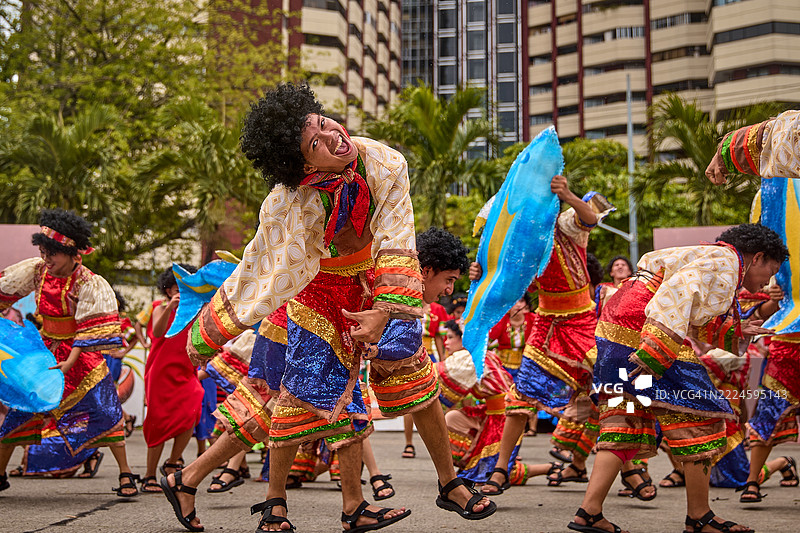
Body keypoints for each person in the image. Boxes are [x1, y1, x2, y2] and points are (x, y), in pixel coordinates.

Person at [160, 83, 493, 533]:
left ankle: (443, 484)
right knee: (296, 398)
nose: (332, 135)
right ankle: (272, 500)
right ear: (302, 165)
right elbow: (263, 268)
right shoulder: (286, 202)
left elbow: (397, 236)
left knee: (413, 374)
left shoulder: (384, 162)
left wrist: (386, 309)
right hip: (314, 294)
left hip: (374, 285)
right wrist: (212, 331)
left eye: (321, 122)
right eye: (315, 142)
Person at [571, 223, 787, 533]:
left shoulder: (708, 258)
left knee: (626, 417)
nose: (769, 279)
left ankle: (588, 512)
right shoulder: (727, 262)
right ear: (758, 258)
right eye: (772, 268)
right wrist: (653, 354)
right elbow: (675, 295)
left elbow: (685, 311)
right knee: (702, 415)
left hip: (615, 330)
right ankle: (699, 517)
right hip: (640, 332)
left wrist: (736, 331)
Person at [476, 176, 613, 496]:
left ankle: (623, 465)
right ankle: (500, 470)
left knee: (611, 391)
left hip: (581, 321)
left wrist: (567, 194)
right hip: (546, 322)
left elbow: (591, 218)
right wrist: (482, 274)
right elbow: (508, 284)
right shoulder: (520, 246)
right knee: (521, 395)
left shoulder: (565, 223)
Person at [0, 208, 137, 497]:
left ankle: (126, 475)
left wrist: (70, 360)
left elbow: (88, 330)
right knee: (21, 409)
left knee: (105, 411)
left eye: (53, 253)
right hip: (45, 352)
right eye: (43, 252)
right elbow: (4, 292)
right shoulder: (36, 271)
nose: (46, 259)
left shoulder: (89, 282)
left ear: (73, 253)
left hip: (79, 355)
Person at [140, 265, 205, 494]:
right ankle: (148, 475)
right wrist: (170, 308)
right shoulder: (159, 307)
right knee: (157, 420)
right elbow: (157, 333)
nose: (181, 291)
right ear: (167, 290)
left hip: (186, 369)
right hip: (160, 371)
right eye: (176, 287)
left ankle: (173, 461)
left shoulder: (198, 308)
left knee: (193, 408)